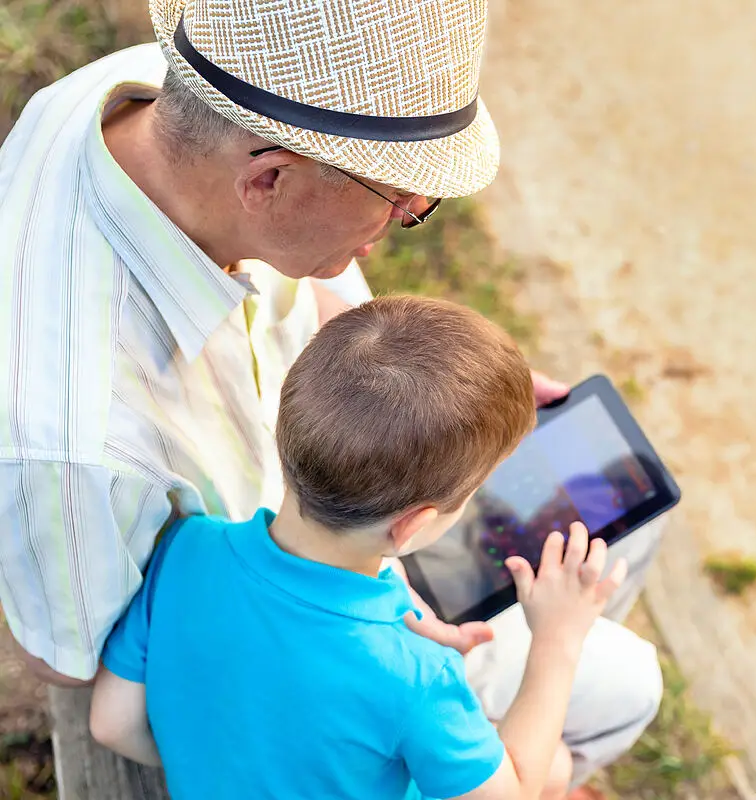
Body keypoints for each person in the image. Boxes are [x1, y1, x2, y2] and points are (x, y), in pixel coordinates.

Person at [0, 0, 663, 787]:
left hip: (306, 524)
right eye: (398, 201)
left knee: (603, 508)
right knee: (623, 678)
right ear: (270, 179)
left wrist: (447, 393)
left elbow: (127, 702)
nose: (408, 216)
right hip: (326, 628)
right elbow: (67, 660)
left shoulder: (168, 95)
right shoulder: (74, 443)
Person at [89, 295, 624, 800]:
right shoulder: (417, 674)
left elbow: (111, 724)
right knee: (548, 765)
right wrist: (557, 639)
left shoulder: (187, 547)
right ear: (413, 526)